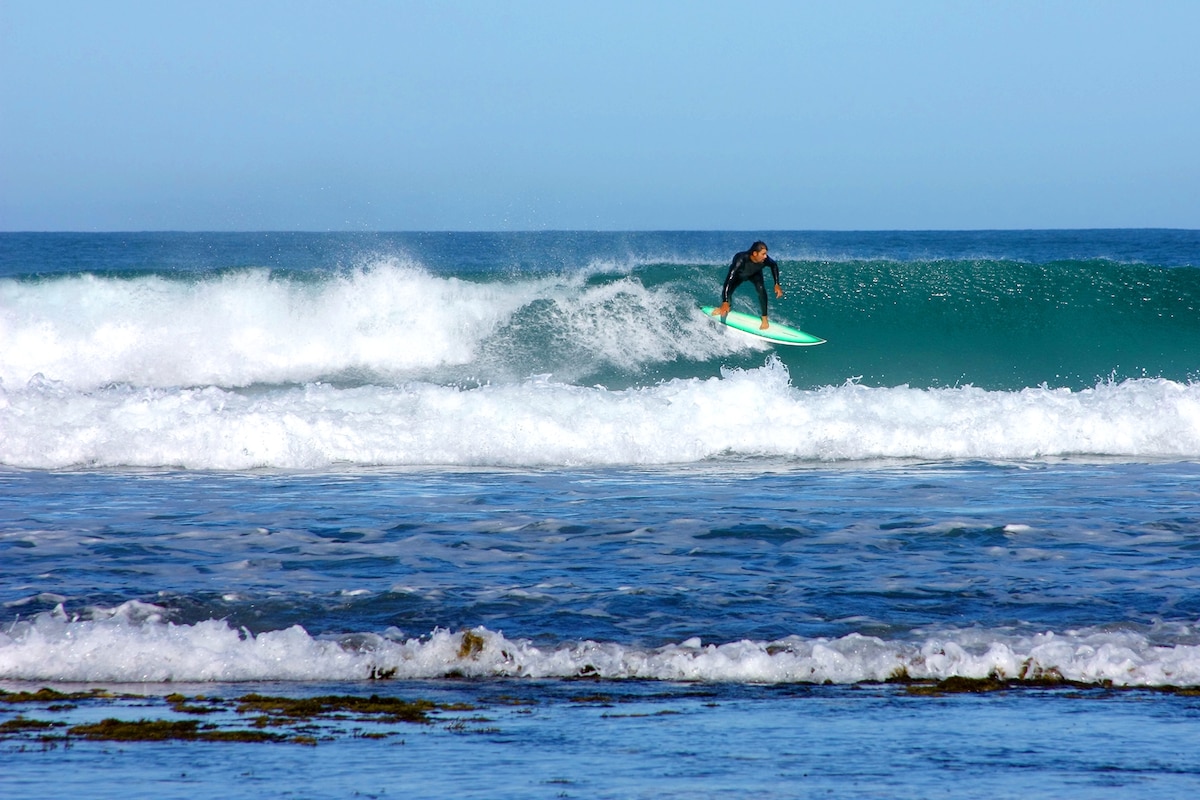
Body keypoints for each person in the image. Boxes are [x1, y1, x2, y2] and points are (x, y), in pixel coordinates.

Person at [711, 241, 783, 329]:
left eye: (766, 254)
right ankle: (726, 306)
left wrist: (776, 284)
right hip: (739, 275)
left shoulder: (765, 260)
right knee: (729, 291)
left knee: (761, 290)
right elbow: (729, 280)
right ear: (755, 253)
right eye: (763, 254)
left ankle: (764, 318)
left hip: (755, 275)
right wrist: (725, 301)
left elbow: (774, 265)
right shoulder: (741, 259)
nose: (765, 256)